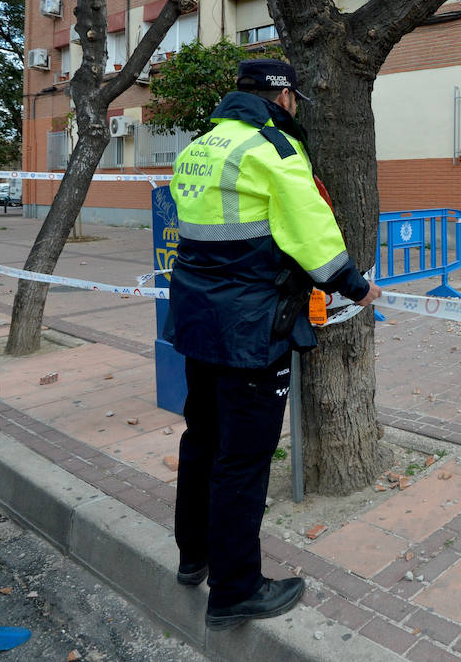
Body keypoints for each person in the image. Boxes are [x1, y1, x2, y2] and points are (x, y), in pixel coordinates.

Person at [164, 59, 382, 632]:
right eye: (294, 99)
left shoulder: (199, 146)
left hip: (196, 322)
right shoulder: (275, 150)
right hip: (252, 327)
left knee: (202, 440)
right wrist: (356, 287)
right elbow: (312, 233)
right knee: (243, 459)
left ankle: (195, 558)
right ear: (281, 97)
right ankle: (236, 590)